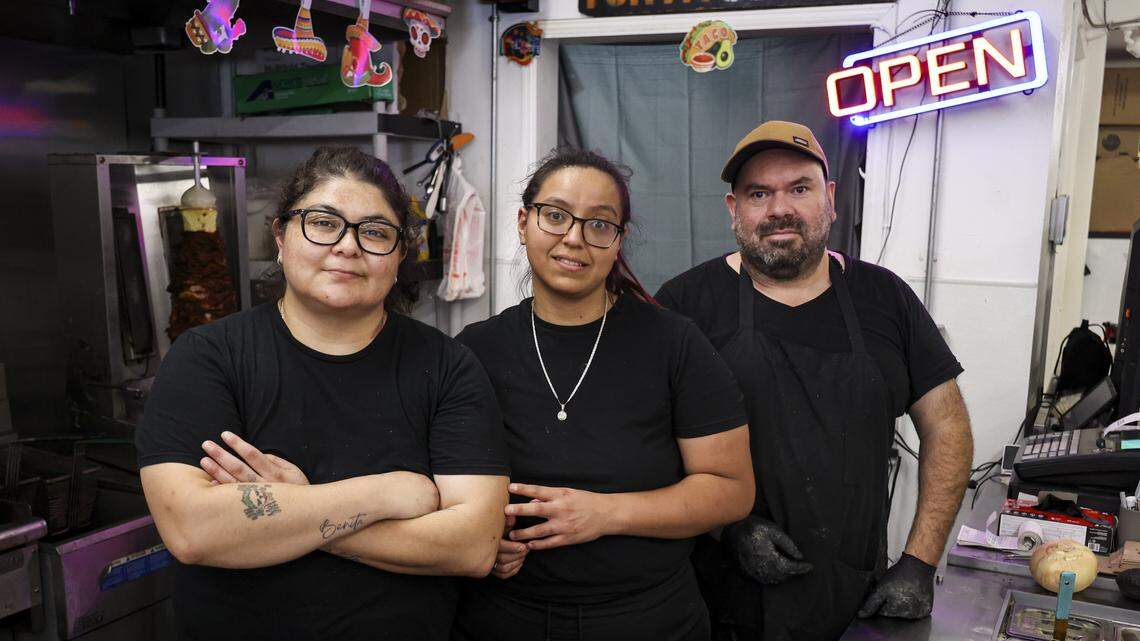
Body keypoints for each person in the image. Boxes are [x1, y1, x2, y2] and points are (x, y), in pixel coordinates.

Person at [136, 146, 510, 641]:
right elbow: (193, 531)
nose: (348, 246)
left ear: (400, 254)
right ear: (280, 235)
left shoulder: (446, 367)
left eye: (375, 232)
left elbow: (472, 547)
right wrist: (385, 493)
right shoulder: (209, 357)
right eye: (323, 222)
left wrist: (297, 508)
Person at [656, 121, 974, 640]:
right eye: (759, 193)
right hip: (716, 602)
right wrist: (726, 526)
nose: (779, 208)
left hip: (855, 598)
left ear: (829, 199)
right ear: (734, 210)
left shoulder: (885, 298)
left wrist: (919, 561)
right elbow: (647, 444)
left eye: (798, 188)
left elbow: (947, 425)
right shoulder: (684, 304)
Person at [452, 148, 755, 641]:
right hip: (505, 617)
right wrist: (482, 541)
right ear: (524, 222)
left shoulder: (674, 344)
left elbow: (731, 490)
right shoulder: (475, 349)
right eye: (555, 216)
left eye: (599, 224)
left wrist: (602, 514)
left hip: (648, 618)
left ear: (618, 242)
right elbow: (451, 487)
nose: (574, 238)